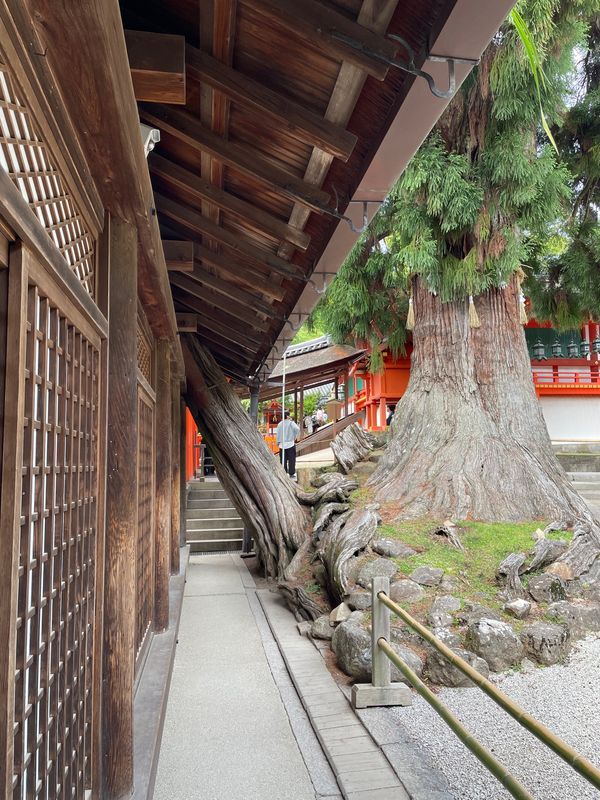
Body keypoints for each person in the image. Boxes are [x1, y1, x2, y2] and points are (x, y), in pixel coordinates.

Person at [276, 410, 300, 479]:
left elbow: (278, 434)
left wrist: (278, 442)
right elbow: (297, 429)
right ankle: (291, 473)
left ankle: (284, 473)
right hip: (290, 444)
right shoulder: (291, 423)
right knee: (291, 459)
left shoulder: (279, 424)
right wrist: (294, 436)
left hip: (282, 445)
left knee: (283, 460)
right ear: (288, 416)